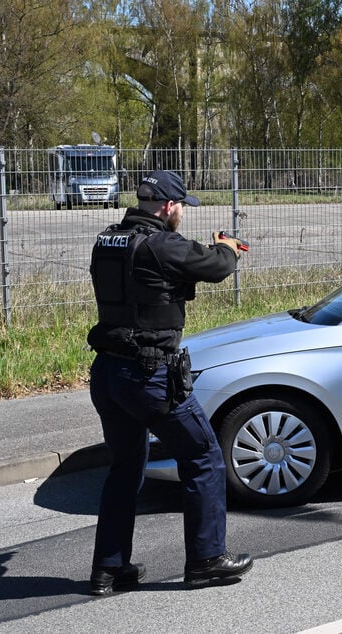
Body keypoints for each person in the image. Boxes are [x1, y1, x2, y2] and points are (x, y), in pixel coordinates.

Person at [86, 169, 252, 595]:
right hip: (149, 375)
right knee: (203, 457)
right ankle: (207, 560)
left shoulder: (108, 240)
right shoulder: (163, 244)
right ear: (169, 207)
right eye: (181, 207)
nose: (181, 214)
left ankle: (108, 568)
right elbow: (216, 267)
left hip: (108, 373)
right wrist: (227, 248)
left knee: (124, 469)